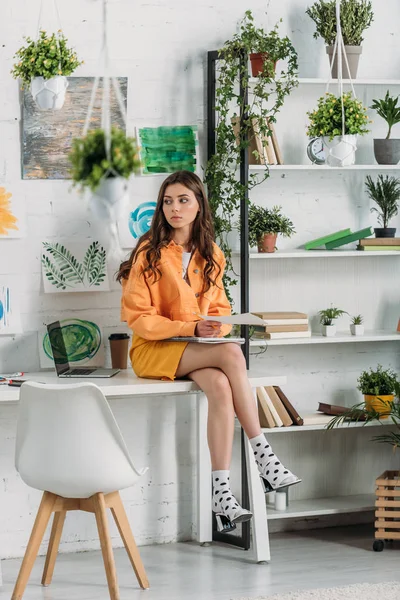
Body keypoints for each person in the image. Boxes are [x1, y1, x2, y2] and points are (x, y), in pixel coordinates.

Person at [117, 170, 300, 532]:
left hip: (197, 348)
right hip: (155, 350)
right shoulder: (148, 252)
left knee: (219, 386)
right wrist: (190, 328)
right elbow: (139, 318)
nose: (175, 208)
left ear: (199, 204)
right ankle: (264, 455)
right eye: (168, 201)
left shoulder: (210, 253)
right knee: (232, 355)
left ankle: (221, 494)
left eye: (184, 200)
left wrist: (219, 326)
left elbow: (218, 309)